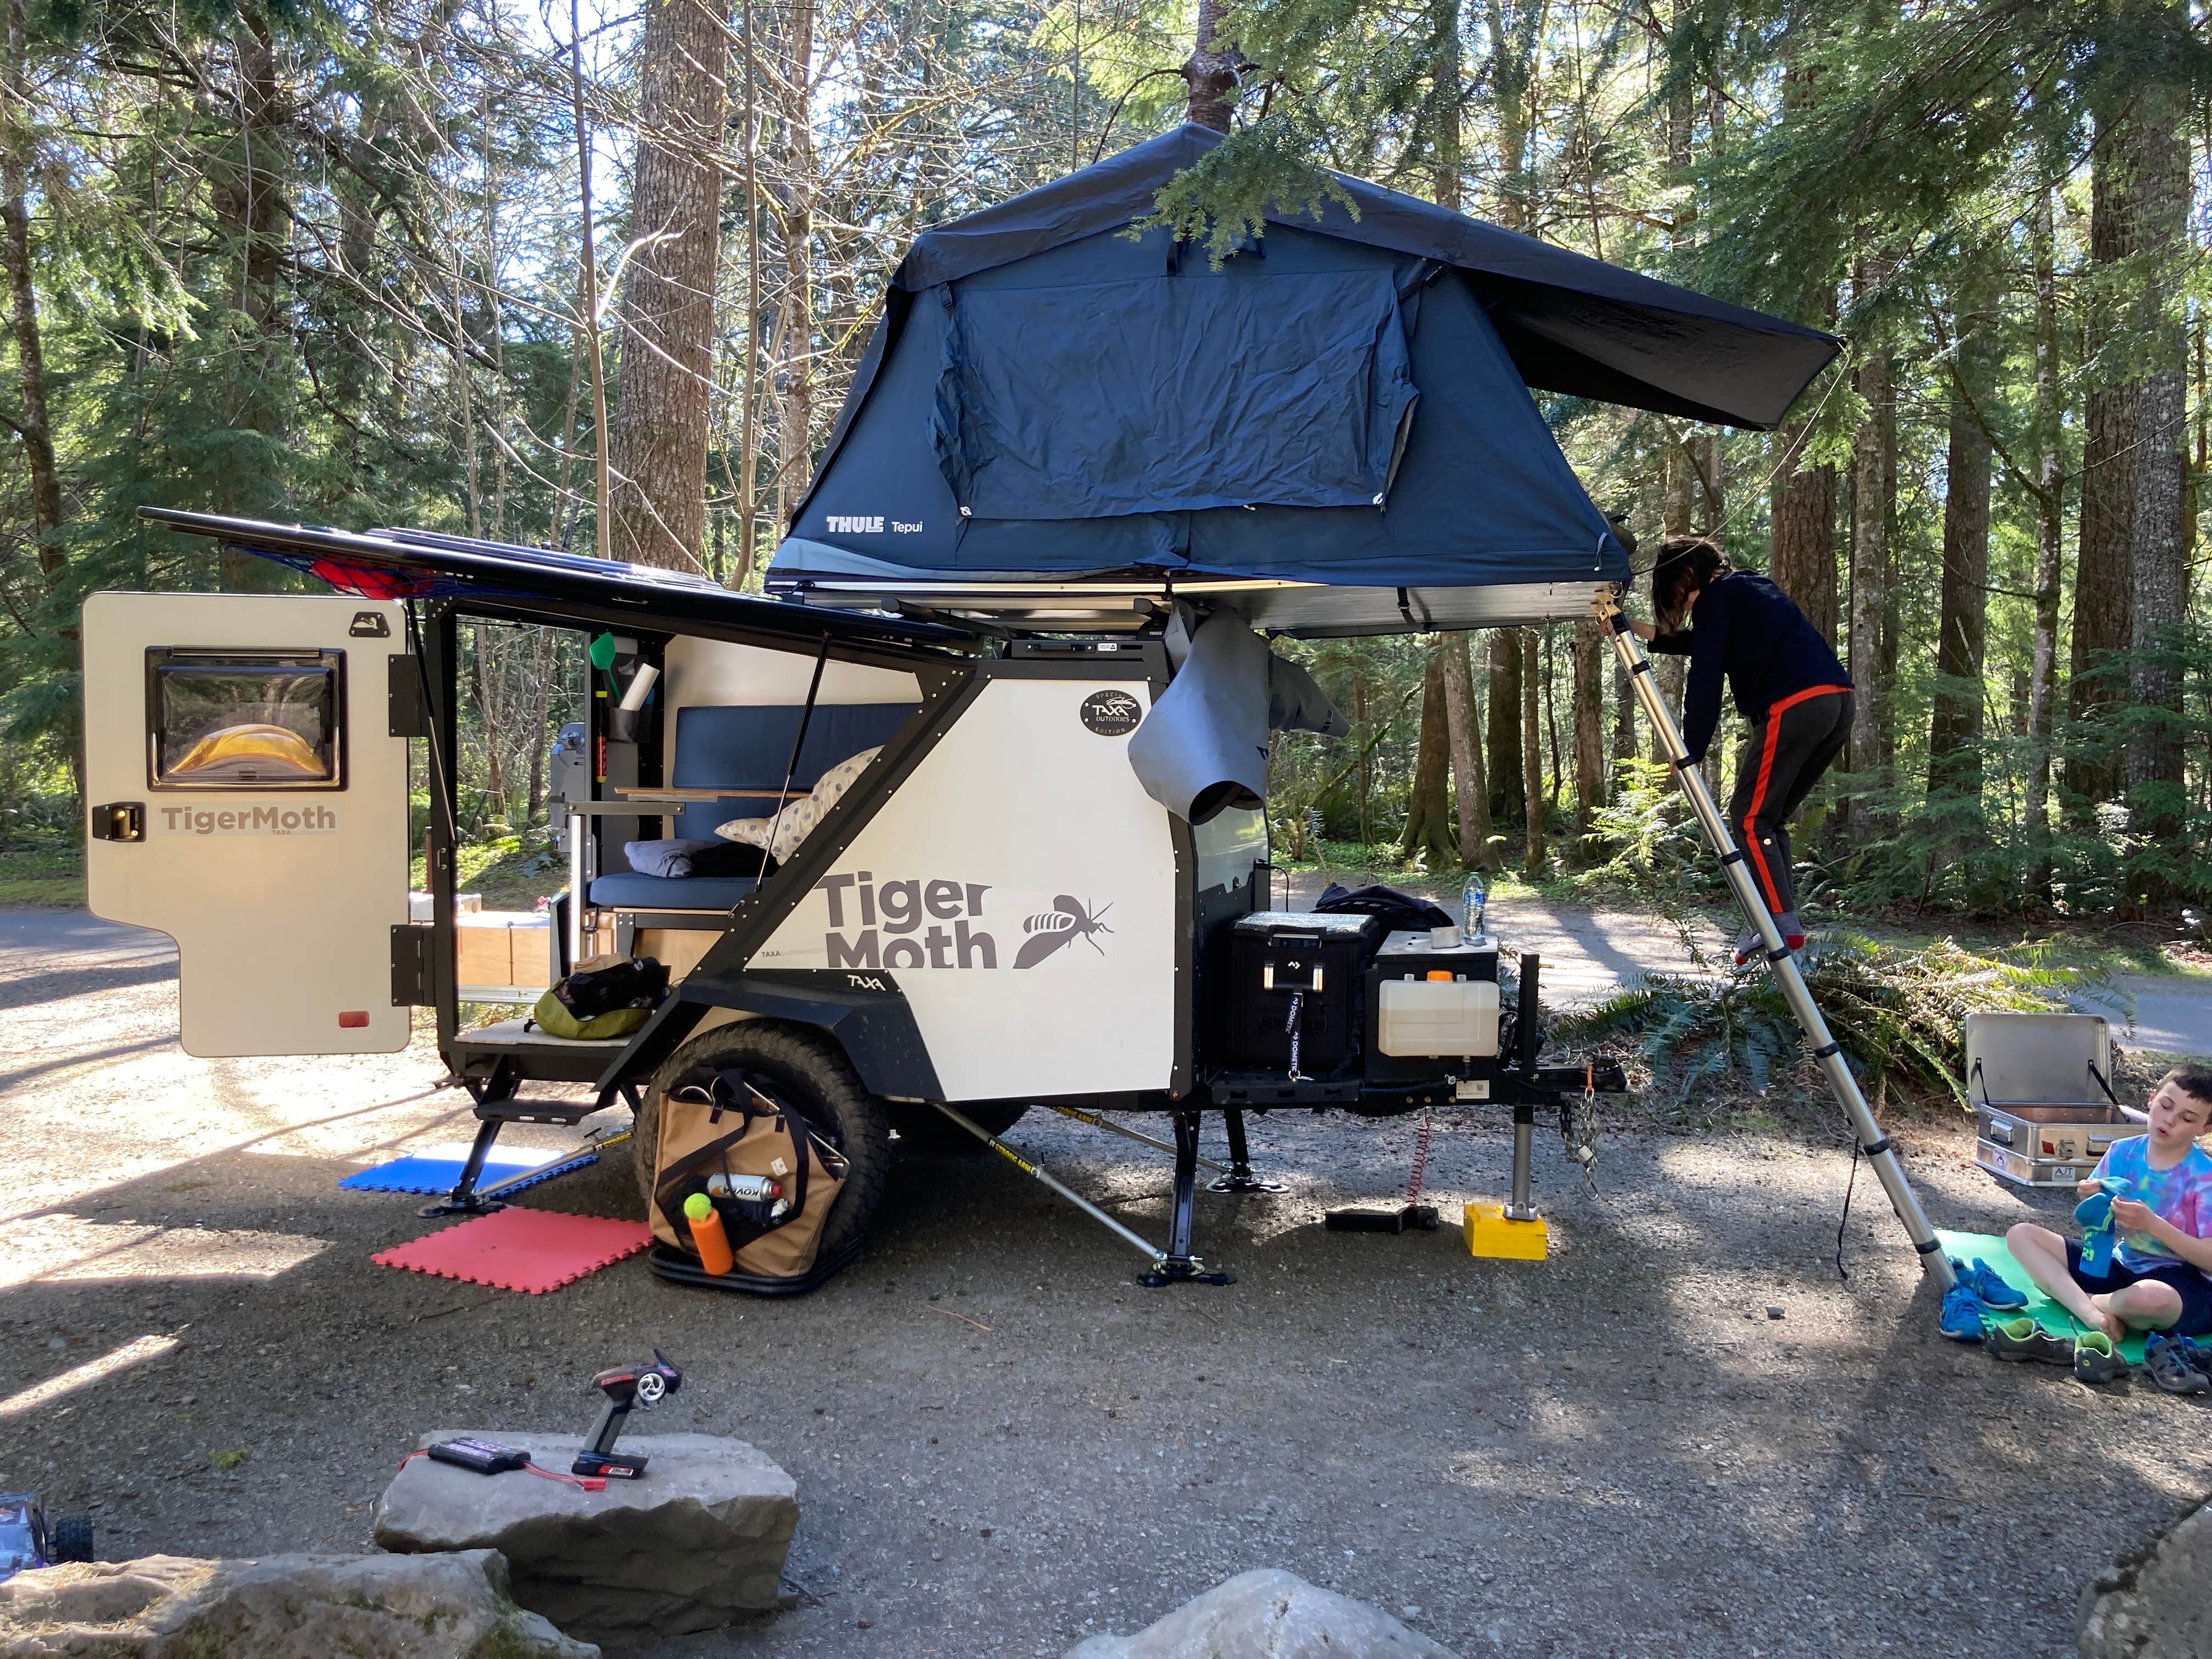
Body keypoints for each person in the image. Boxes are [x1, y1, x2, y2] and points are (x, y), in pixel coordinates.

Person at [1624, 538, 1852, 962]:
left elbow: (1705, 678)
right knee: (1769, 817)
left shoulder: (1716, 600)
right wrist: (1634, 628)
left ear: (1686, 577)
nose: (1685, 607)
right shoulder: (1749, 588)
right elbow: (1705, 643)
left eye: (1681, 597)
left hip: (1796, 704)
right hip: (1836, 703)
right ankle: (1781, 921)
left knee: (1749, 817)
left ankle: (1776, 923)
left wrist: (1690, 749)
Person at [2005, 1069, 2212, 1346]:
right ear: (2152, 1099)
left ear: (2206, 1128)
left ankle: (2085, 1299)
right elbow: (2098, 1219)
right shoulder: (2122, 1152)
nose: (2170, 1120)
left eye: (2187, 1119)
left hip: (2183, 1284)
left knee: (2149, 1299)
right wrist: (2089, 1196)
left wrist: (2153, 1225)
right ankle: (2095, 1316)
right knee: (2021, 1235)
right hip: (2122, 1264)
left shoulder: (2205, 1176)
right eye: (2166, 1106)